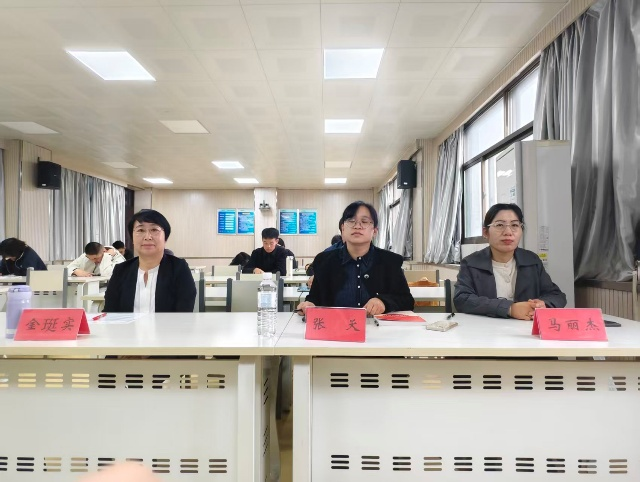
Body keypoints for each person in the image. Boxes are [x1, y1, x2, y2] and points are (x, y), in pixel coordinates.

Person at [297, 201, 414, 316]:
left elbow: (407, 301)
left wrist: (384, 302)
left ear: (374, 231)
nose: (357, 226)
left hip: (375, 327)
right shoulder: (324, 261)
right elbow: (314, 298)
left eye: (364, 221)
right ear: (343, 228)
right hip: (335, 326)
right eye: (351, 221)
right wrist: (309, 304)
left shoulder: (390, 261)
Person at [454, 203, 567, 320]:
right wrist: (510, 309)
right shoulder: (471, 263)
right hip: (486, 328)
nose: (508, 232)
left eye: (514, 225)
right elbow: (462, 299)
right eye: (499, 225)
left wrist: (543, 304)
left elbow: (556, 295)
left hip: (525, 328)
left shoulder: (532, 260)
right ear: (485, 232)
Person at [104, 209, 196, 313]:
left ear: (165, 237)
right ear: (132, 238)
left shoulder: (179, 268)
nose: (148, 237)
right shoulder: (121, 270)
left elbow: (184, 313)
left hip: (168, 324)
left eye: (154, 230)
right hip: (127, 325)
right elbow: (110, 312)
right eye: (140, 230)